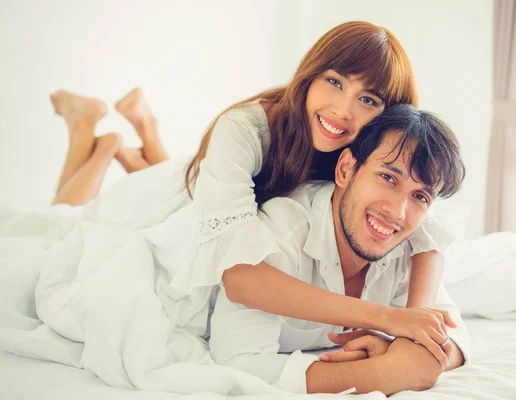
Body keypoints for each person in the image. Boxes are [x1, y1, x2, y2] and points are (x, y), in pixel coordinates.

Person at [19, 21, 457, 368]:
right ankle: (92, 136)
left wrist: (414, 328)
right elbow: (239, 274)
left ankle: (142, 139)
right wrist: (388, 319)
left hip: (227, 203)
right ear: (311, 74)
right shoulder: (248, 128)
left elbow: (426, 227)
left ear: (390, 113)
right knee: (66, 219)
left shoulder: (372, 156)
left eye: (369, 100)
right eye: (335, 81)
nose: (344, 111)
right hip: (186, 205)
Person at [209, 104, 469, 395]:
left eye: (420, 195)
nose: (397, 211)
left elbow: (453, 332)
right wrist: (390, 370)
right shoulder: (282, 230)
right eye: (388, 177)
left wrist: (401, 348)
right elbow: (238, 365)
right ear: (346, 169)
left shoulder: (412, 246)